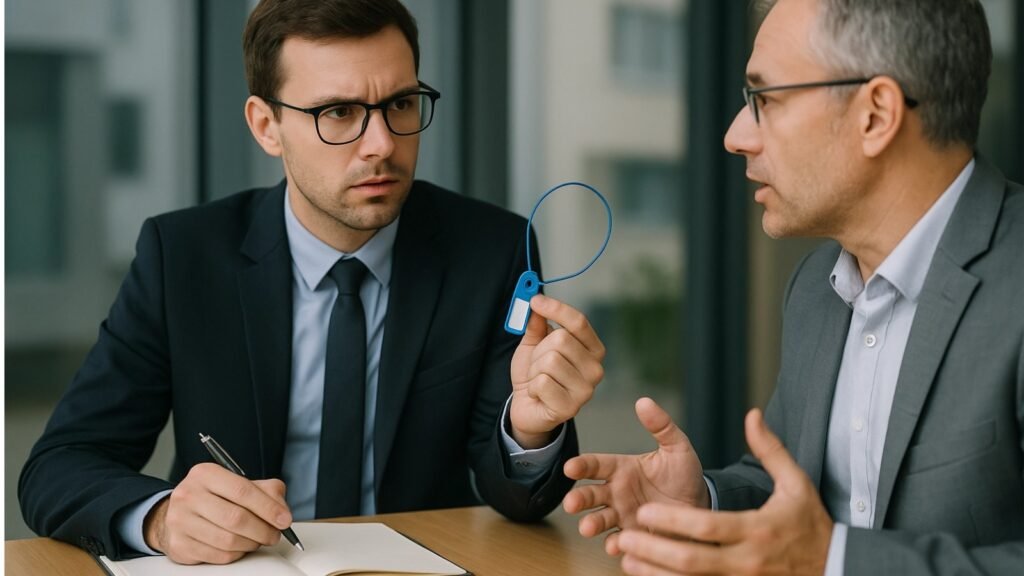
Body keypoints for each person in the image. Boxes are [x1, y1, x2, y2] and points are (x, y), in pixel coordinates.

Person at [19, 0, 606, 565]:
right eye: (339, 113)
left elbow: (520, 500)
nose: (381, 144)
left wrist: (528, 431)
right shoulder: (184, 257)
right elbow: (60, 464)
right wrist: (162, 519)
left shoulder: (491, 251)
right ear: (266, 126)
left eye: (400, 104)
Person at [563, 0, 1023, 574]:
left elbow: (817, 549)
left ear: (876, 114)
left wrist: (833, 560)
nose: (735, 135)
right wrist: (705, 505)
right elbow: (795, 497)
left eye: (765, 99)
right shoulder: (816, 286)